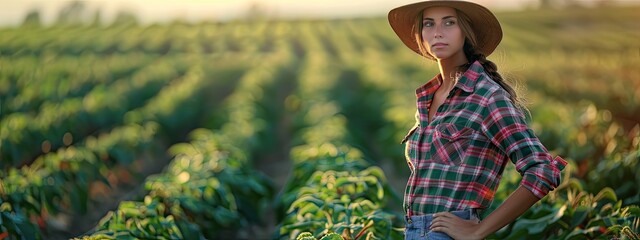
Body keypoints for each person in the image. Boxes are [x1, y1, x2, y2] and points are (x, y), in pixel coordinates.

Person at [387, 1, 567, 239]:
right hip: (414, 231)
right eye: (429, 24)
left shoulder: (488, 97)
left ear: (466, 31)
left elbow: (542, 169)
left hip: (448, 233)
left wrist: (479, 230)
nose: (437, 32)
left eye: (449, 23)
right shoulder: (429, 97)